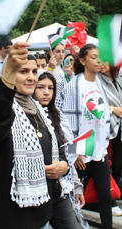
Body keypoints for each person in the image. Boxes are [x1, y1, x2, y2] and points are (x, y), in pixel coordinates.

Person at [0, 43, 72, 229]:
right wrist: (7, 77)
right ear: (10, 73)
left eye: (33, 71)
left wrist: (63, 165)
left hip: (42, 212)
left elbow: (52, 148)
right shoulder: (2, 108)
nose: (31, 77)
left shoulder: (39, 110)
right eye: (23, 71)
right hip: (12, 217)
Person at [58, 44, 113, 229]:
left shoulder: (101, 83)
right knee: (74, 199)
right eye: (93, 57)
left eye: (100, 57)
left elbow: (104, 115)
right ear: (82, 61)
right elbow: (66, 121)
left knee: (105, 197)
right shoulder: (74, 85)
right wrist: (75, 153)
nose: (99, 61)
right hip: (81, 149)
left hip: (98, 148)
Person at [34, 72, 88, 228]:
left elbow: (68, 155)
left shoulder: (59, 116)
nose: (46, 92)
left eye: (51, 88)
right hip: (37, 192)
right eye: (41, 87)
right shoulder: (25, 117)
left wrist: (77, 187)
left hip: (60, 189)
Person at [98, 62, 122, 216]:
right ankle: (108, 200)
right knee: (107, 164)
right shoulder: (96, 80)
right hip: (106, 128)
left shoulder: (118, 80)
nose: (101, 64)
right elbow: (92, 103)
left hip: (121, 126)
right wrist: (112, 109)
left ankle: (114, 192)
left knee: (119, 162)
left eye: (104, 62)